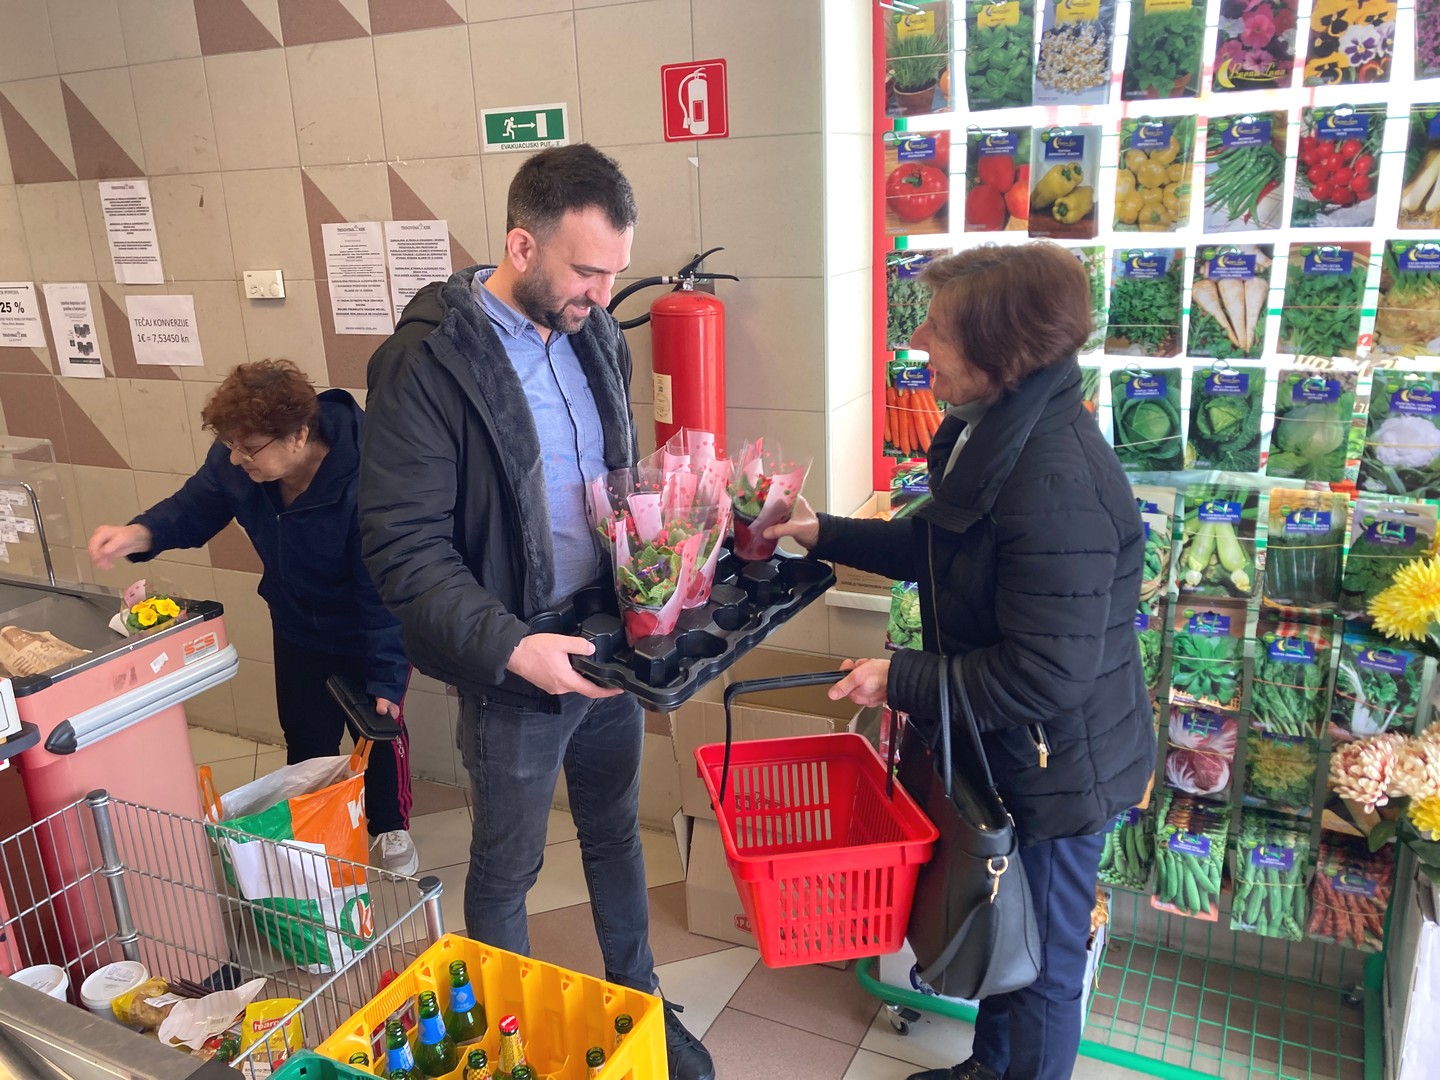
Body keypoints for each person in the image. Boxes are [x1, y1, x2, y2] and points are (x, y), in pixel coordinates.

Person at [357, 144, 714, 1080]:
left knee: (615, 830)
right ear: (521, 244)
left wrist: (664, 567)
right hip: (518, 663)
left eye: (615, 272)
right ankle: (499, 1037)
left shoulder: (594, 329)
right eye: (587, 270)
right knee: (507, 867)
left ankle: (639, 999)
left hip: (608, 645)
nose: (604, 292)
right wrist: (514, 649)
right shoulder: (426, 362)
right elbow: (403, 551)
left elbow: (609, 485)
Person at [767, 244, 1155, 1080]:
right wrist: (821, 532)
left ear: (1000, 352)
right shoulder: (991, 437)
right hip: (1007, 748)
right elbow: (934, 541)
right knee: (999, 927)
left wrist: (898, 677)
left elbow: (1046, 675)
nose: (919, 341)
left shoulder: (1058, 484)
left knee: (1043, 966)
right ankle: (990, 1067)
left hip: (1059, 768)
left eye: (938, 331)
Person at [88, 360, 418, 875]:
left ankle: (389, 826)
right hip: (295, 620)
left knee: (376, 730)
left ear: (299, 435)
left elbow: (382, 592)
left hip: (366, 626)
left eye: (249, 447)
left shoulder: (369, 477)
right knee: (306, 735)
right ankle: (319, 830)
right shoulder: (239, 461)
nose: (237, 458)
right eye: (230, 446)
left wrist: (387, 676)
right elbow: (193, 507)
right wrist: (138, 534)